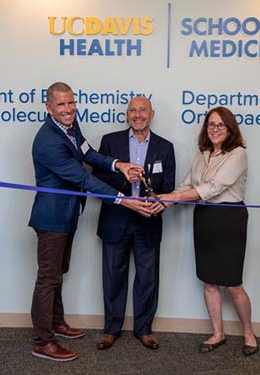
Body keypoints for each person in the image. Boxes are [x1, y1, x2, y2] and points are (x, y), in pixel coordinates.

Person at [28, 82, 153, 362]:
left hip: (69, 214)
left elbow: (88, 154)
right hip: (51, 218)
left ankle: (56, 324)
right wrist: (123, 199)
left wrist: (117, 164)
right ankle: (43, 341)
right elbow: (83, 177)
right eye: (61, 105)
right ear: (49, 108)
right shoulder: (48, 140)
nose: (68, 109)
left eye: (71, 103)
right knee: (48, 278)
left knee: (59, 271)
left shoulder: (71, 127)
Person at [158, 106, 258, 356]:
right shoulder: (201, 153)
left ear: (230, 129)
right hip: (204, 218)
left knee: (233, 283)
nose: (215, 129)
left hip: (229, 219)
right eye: (211, 125)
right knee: (209, 281)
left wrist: (174, 197)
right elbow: (187, 184)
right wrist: (163, 199)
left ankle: (248, 333)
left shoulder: (238, 154)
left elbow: (214, 187)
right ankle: (218, 333)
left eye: (220, 125)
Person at [92, 96, 176, 350]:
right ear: (127, 115)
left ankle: (144, 329)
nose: (137, 115)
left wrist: (158, 203)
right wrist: (124, 183)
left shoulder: (165, 146)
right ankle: (111, 329)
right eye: (132, 111)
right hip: (115, 219)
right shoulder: (110, 142)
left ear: (152, 114)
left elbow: (169, 188)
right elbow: (97, 181)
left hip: (148, 221)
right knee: (113, 277)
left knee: (147, 278)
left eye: (142, 110)